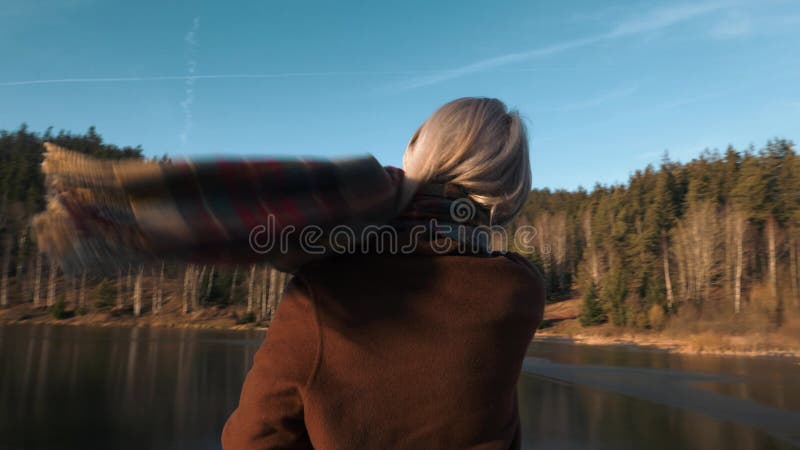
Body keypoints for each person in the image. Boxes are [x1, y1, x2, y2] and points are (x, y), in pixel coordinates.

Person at [221, 97, 546, 450]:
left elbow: (250, 441)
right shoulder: (520, 290)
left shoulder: (325, 291)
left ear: (418, 152)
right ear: (511, 189)